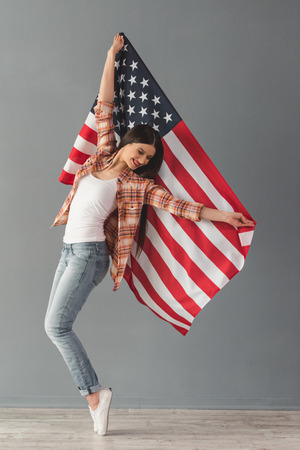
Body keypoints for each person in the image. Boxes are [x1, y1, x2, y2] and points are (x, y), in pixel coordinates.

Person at [45, 34, 255, 436]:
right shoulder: (102, 154)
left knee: (57, 326)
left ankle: (94, 394)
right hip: (68, 250)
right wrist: (111, 58)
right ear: (128, 143)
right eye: (139, 151)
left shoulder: (136, 184)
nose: (141, 159)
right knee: (54, 325)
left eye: (146, 158)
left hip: (90, 255)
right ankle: (95, 395)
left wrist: (227, 217)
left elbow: (182, 207)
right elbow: (105, 105)